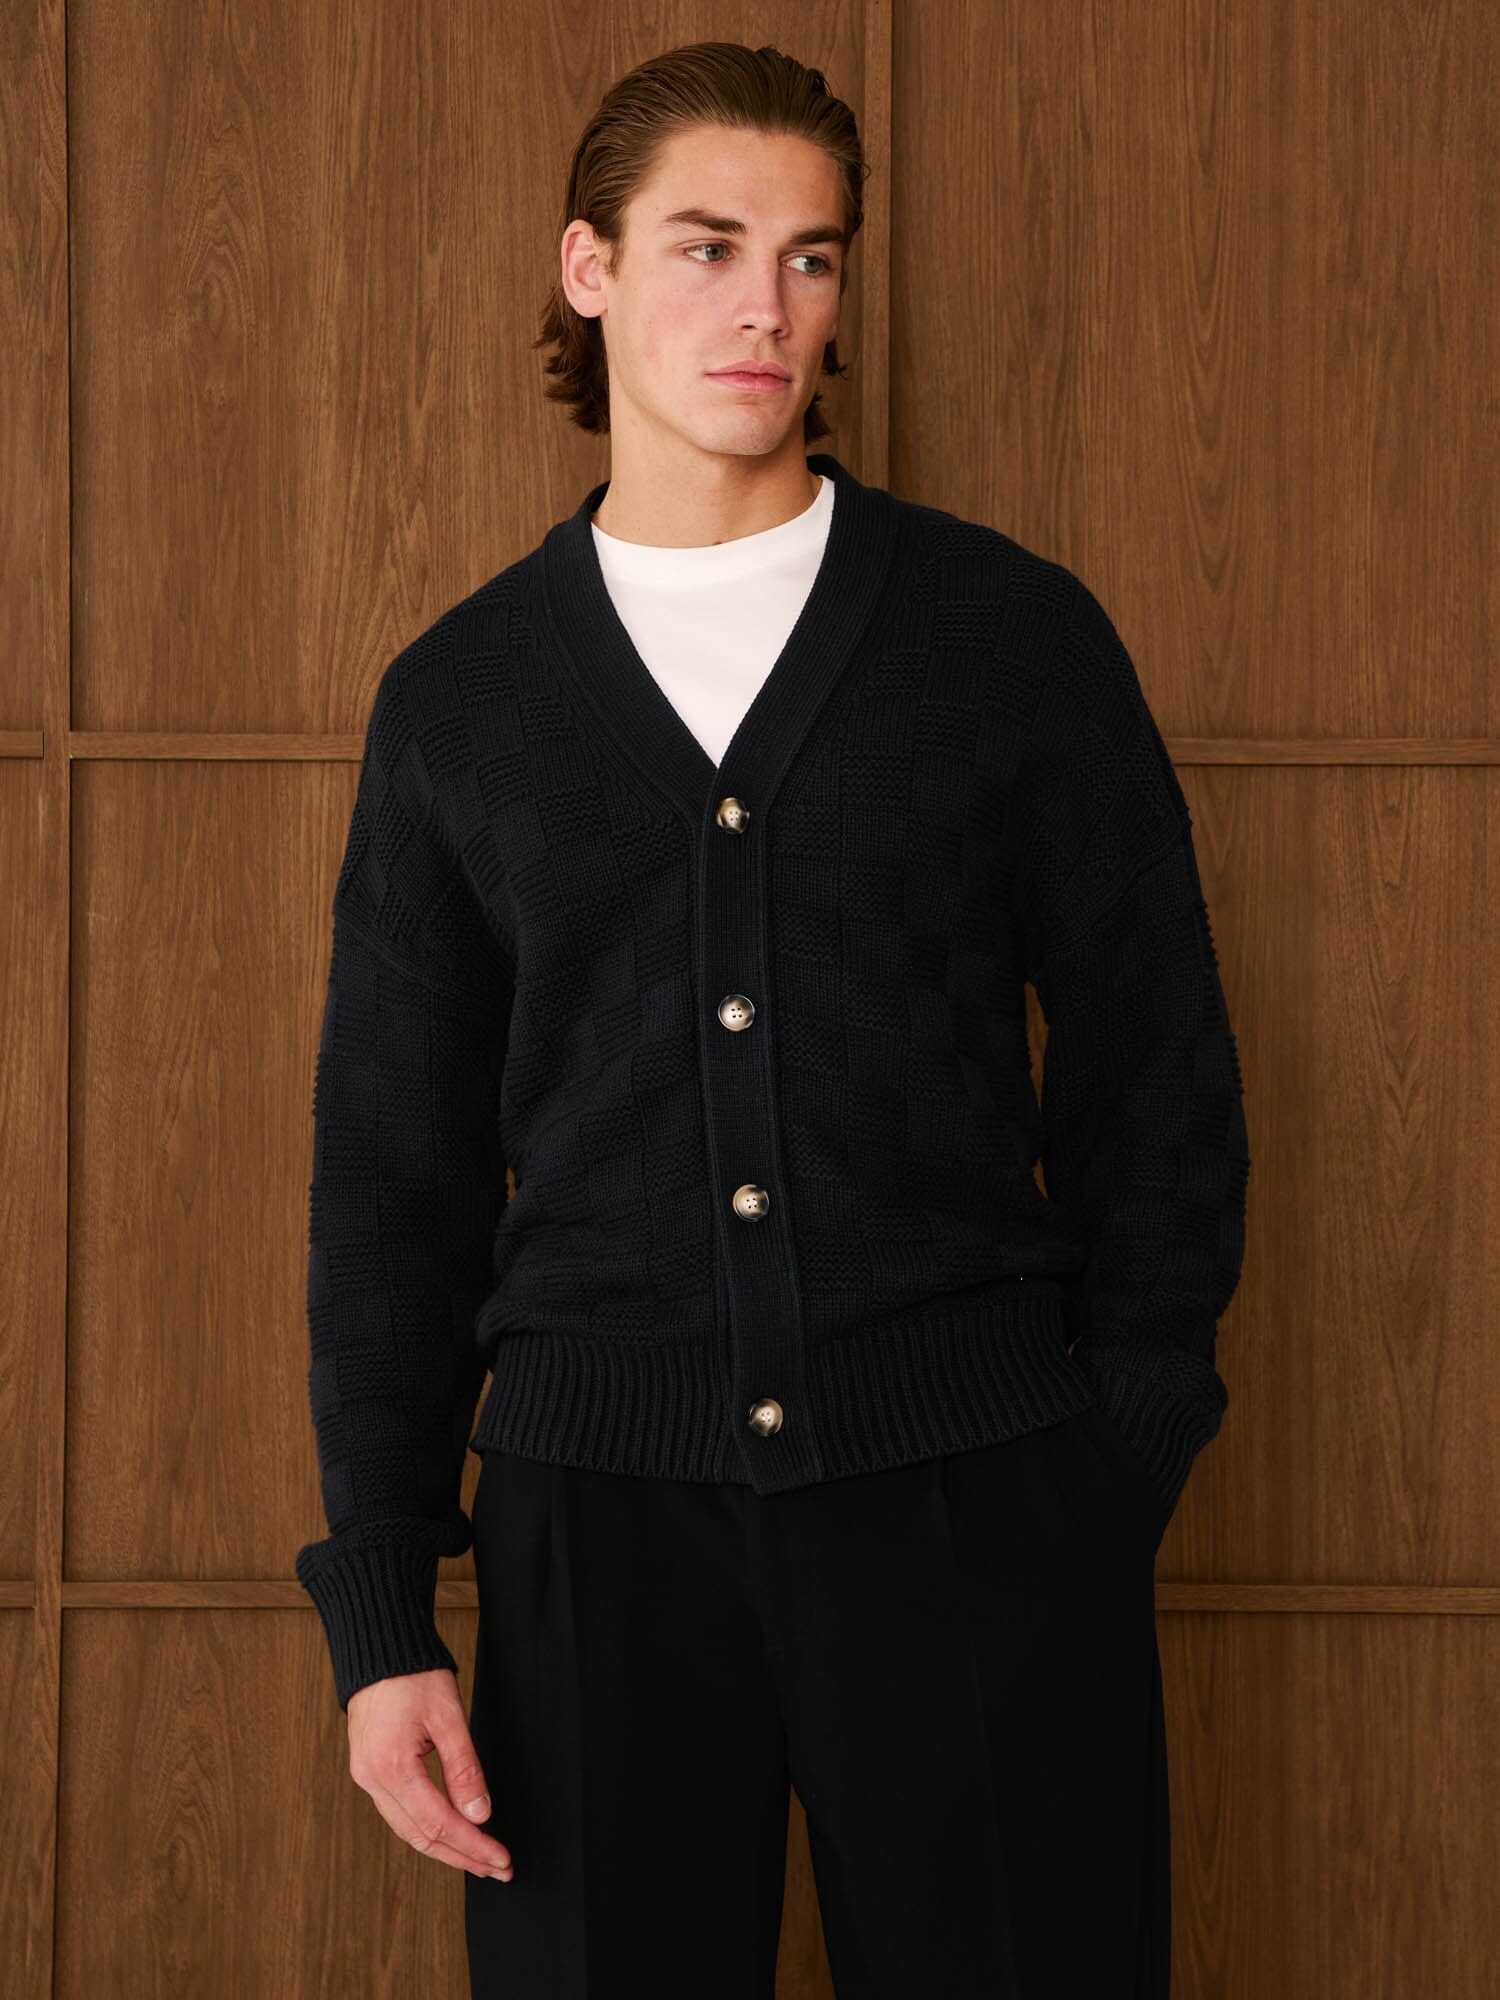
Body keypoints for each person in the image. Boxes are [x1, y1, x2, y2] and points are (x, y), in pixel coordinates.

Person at [295, 40, 1250, 2000]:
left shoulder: (1009, 641)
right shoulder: (462, 701)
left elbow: (1158, 1070)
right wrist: (385, 1610)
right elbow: (394, 1181)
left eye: (812, 258)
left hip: (978, 1505)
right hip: (595, 1540)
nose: (767, 308)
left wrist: (1114, 1457)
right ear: (587, 268)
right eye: (708, 245)